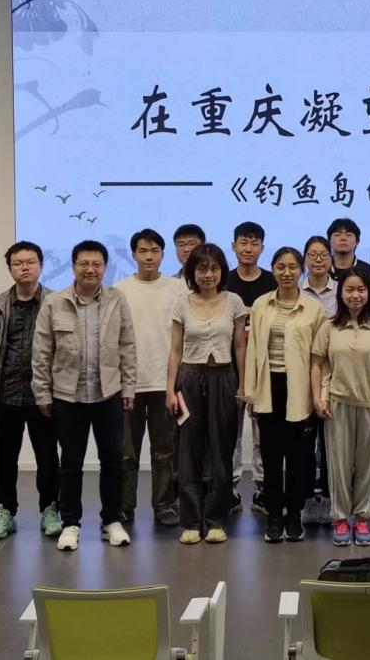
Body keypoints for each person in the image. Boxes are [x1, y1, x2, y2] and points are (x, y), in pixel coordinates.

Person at [31, 239, 137, 552]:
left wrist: (129, 387)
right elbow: (41, 351)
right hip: (68, 396)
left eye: (97, 264)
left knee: (113, 461)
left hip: (108, 393)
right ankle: (71, 523)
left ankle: (111, 520)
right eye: (84, 264)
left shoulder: (117, 299)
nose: (91, 269)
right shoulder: (55, 302)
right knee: (70, 463)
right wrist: (42, 393)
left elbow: (127, 346)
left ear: (105, 267)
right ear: (74, 266)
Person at [243, 247, 327, 543]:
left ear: (301, 270)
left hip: (300, 389)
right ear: (273, 269)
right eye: (281, 267)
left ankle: (294, 514)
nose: (287, 272)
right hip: (269, 388)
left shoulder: (314, 309)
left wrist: (319, 395)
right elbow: (253, 351)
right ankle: (274, 515)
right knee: (270, 455)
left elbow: (320, 357)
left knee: (299, 458)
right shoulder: (261, 304)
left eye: (293, 267)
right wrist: (251, 393)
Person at [167, 243, 247, 544]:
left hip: (224, 378)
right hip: (188, 379)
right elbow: (175, 349)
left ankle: (216, 520)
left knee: (222, 450)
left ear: (222, 271)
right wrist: (170, 389)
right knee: (189, 450)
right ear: (193, 272)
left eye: (213, 268)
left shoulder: (234, 301)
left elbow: (240, 346)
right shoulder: (182, 303)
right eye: (202, 269)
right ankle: (190, 521)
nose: (208, 274)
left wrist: (243, 386)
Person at [0, 241, 60, 540]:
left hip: (45, 395)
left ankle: (50, 509)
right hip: (6, 393)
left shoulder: (55, 302)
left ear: (41, 265)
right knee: (5, 457)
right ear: (10, 269)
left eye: (31, 262)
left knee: (48, 456)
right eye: (18, 263)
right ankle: (5, 512)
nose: (25, 267)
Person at [312, 270, 370, 546]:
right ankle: (339, 518)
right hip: (338, 404)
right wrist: (318, 398)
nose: (355, 295)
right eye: (349, 290)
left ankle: (362, 518)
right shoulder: (329, 327)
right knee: (339, 465)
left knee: (369, 466)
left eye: (361, 290)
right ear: (341, 293)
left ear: (369, 293)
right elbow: (318, 364)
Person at [116, 229, 183, 528]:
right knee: (126, 453)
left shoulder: (178, 289)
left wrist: (175, 383)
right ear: (133, 254)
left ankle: (164, 505)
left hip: (164, 382)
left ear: (163, 255)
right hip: (128, 384)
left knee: (164, 451)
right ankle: (124, 506)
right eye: (143, 251)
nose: (149, 256)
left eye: (154, 251)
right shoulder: (119, 290)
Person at [226, 221, 277, 516]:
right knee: (228, 434)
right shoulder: (223, 280)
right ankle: (229, 490)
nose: (248, 248)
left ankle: (263, 489)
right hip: (228, 368)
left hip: (263, 368)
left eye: (254, 243)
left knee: (263, 435)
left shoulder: (272, 281)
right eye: (243, 242)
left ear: (262, 247)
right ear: (233, 246)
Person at [300, 235, 338, 524]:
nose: (318, 259)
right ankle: (306, 499)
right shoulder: (295, 292)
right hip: (301, 374)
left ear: (331, 259)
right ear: (305, 259)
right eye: (312, 254)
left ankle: (328, 496)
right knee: (304, 442)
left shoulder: (342, 291)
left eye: (323, 254)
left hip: (334, 375)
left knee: (329, 443)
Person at [327, 218, 370, 287]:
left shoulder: (369, 271)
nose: (343, 238)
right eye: (337, 235)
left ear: (357, 241)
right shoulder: (321, 269)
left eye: (348, 235)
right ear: (329, 241)